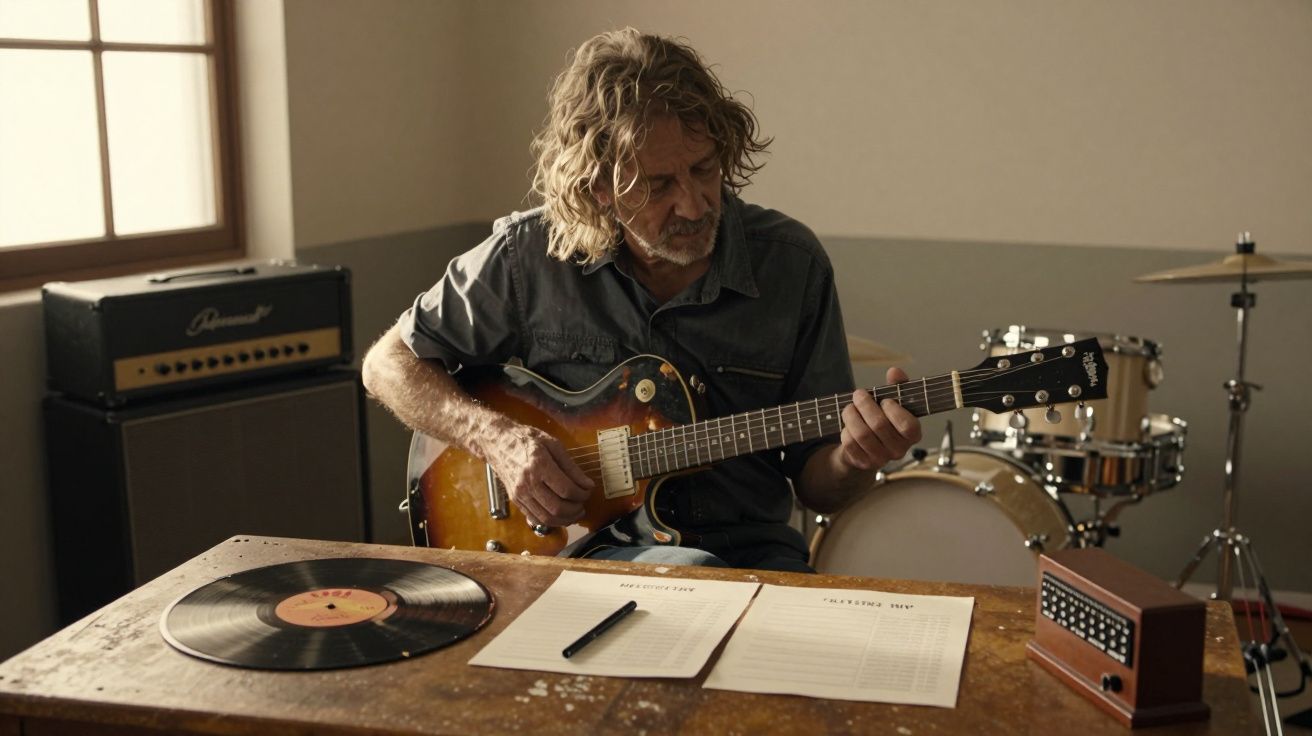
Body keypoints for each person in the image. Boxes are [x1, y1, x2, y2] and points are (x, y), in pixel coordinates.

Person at [362, 28, 921, 572]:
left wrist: (856, 458)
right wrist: (497, 439)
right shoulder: (528, 256)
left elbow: (820, 486)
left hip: (754, 557)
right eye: (658, 186)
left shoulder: (792, 265)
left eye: (704, 169)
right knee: (691, 574)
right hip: (582, 559)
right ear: (599, 188)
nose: (695, 205)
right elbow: (387, 364)